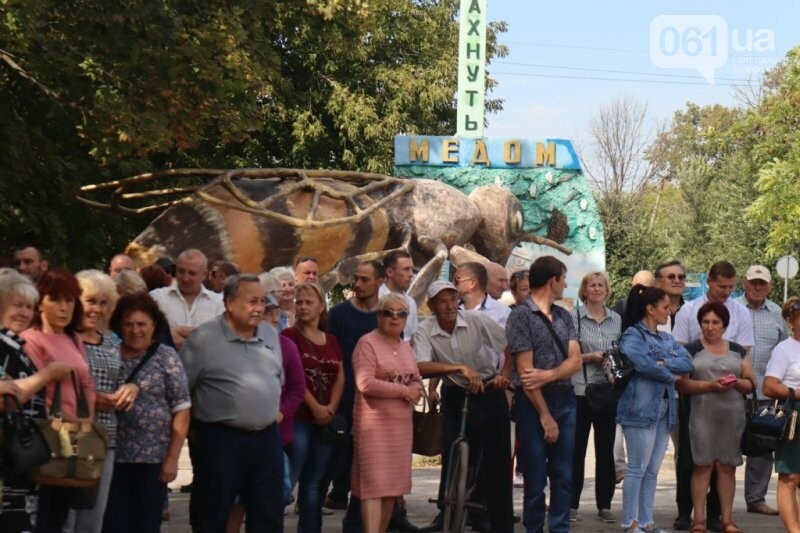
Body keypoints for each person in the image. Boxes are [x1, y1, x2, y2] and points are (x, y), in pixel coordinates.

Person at [180, 274, 284, 532]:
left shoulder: (271, 334)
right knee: (212, 514)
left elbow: (277, 378)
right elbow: (181, 390)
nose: (259, 308)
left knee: (268, 515)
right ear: (229, 303)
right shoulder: (203, 339)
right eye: (252, 301)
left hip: (267, 439)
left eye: (262, 301)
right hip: (220, 440)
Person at [415, 281, 513, 533]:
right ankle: (446, 511)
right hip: (456, 390)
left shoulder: (476, 319)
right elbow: (420, 366)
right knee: (450, 447)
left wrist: (504, 374)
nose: (448, 305)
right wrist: (457, 369)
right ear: (431, 305)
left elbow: (508, 345)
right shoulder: (425, 329)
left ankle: (496, 519)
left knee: (497, 456)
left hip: (488, 387)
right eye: (441, 301)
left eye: (452, 299)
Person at [672, 261, 754, 531]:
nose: (710, 326)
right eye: (706, 322)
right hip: (700, 411)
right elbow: (680, 375)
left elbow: (750, 381)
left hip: (731, 414)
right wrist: (708, 386)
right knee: (698, 465)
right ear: (709, 281)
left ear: (724, 325)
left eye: (715, 322)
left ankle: (724, 518)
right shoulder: (688, 316)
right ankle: (694, 517)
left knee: (726, 467)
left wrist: (737, 383)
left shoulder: (739, 335)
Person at [102, 292, 190, 533]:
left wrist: (172, 459)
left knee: (146, 523)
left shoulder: (166, 357)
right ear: (119, 325)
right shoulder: (109, 354)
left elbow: (182, 409)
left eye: (142, 324)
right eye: (128, 324)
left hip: (152, 460)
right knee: (112, 523)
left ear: (154, 326)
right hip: (111, 456)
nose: (135, 330)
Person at [505, 256, 582, 533]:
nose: (565, 284)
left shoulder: (563, 315)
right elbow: (526, 375)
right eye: (563, 278)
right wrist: (546, 416)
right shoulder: (520, 316)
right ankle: (534, 528)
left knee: (563, 475)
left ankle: (560, 528)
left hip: (566, 399)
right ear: (552, 280)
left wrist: (549, 374)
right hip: (533, 404)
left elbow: (576, 361)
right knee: (535, 478)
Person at [21, 267, 97, 532]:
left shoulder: (73, 338)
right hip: (45, 439)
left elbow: (86, 384)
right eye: (56, 299)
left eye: (70, 300)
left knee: (60, 516)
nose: (64, 307)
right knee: (43, 515)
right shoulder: (30, 340)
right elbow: (36, 393)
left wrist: (86, 423)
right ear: (40, 302)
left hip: (73, 438)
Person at [617, 285, 693, 533]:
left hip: (664, 409)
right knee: (637, 468)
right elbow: (642, 365)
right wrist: (670, 375)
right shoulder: (632, 335)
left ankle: (647, 521)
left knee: (652, 469)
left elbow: (687, 361)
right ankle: (630, 522)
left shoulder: (666, 338)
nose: (669, 311)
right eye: (665, 307)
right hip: (639, 409)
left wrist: (664, 362)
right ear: (650, 309)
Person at [0, 271, 73, 533]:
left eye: (29, 307)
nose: (24, 312)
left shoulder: (17, 346)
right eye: (17, 304)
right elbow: (9, 398)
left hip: (22, 461)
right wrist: (47, 375)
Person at [66, 271, 137, 533]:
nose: (96, 308)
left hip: (104, 439)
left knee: (92, 520)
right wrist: (90, 399)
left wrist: (130, 388)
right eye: (91, 300)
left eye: (103, 302)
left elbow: (123, 376)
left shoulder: (111, 341)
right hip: (67, 438)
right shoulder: (63, 338)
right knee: (64, 520)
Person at [352, 293, 424, 533]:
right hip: (374, 427)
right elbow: (366, 384)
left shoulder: (405, 347)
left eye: (401, 313)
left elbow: (416, 379)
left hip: (401, 428)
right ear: (378, 317)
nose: (395, 318)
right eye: (388, 313)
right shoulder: (367, 343)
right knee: (373, 487)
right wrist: (404, 391)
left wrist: (415, 388)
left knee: (392, 488)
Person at [283, 282, 345, 533]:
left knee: (313, 483)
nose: (303, 306)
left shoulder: (330, 339)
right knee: (289, 478)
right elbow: (291, 377)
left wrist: (330, 407)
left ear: (321, 306)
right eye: (299, 302)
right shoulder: (289, 337)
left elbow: (340, 375)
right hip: (298, 417)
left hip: (324, 420)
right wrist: (316, 407)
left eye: (309, 302)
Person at [569, 271, 621, 524]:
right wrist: (589, 358)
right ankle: (571, 505)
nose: (598, 289)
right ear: (585, 290)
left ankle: (605, 504)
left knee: (606, 450)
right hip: (580, 390)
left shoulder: (616, 320)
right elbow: (566, 357)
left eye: (602, 285)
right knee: (576, 450)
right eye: (593, 285)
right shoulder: (573, 318)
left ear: (607, 290)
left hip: (607, 393)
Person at [735, 265, 787, 516]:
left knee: (763, 449)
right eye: (753, 282)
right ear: (744, 283)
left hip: (766, 394)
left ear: (770, 286)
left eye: (762, 283)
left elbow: (784, 352)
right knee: (725, 448)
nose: (757, 287)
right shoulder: (731, 309)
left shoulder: (778, 313)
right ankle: (716, 504)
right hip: (731, 391)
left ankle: (756, 499)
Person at [763, 297, 800, 533]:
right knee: (790, 477)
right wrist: (796, 393)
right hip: (795, 416)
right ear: (790, 322)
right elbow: (769, 386)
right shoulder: (784, 349)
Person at [149, 248, 224, 350]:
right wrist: (203, 338)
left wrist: (175, 333)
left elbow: (222, 341)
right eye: (181, 271)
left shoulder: (219, 304)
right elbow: (149, 336)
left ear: (205, 275)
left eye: (192, 273)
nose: (185, 278)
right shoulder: (156, 298)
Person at [379, 250, 418, 339]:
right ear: (390, 272)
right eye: (406, 269)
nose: (411, 274)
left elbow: (412, 337)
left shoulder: (411, 302)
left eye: (412, 269)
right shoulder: (375, 299)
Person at [270, 266, 297, 330]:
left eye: (291, 284)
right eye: (283, 285)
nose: (288, 289)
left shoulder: (303, 309)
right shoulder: (271, 316)